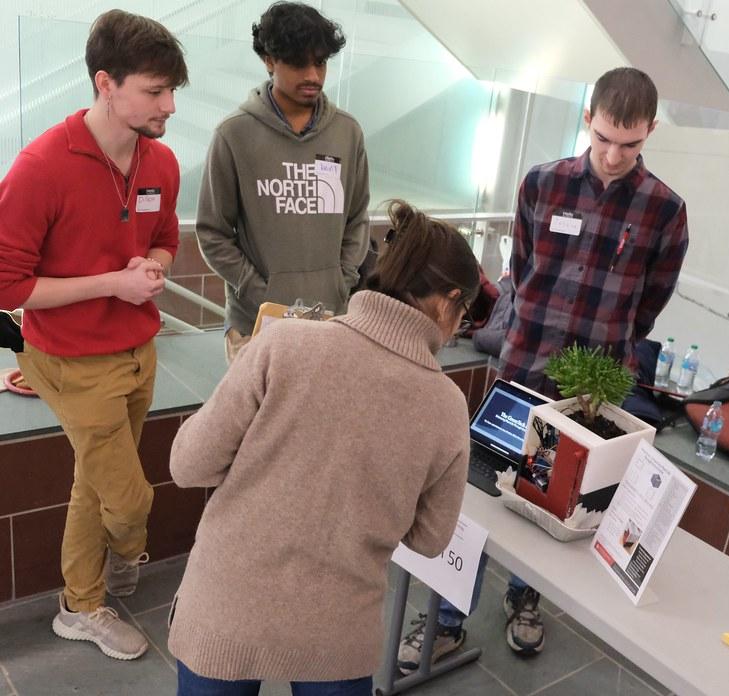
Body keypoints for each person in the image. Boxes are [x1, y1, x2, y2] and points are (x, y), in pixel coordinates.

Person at [399, 66, 689, 672]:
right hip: (524, 370)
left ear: (650, 133)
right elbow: (521, 272)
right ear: (589, 117)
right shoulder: (542, 184)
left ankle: (524, 602)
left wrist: (611, 353)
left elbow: (652, 300)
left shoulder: (665, 210)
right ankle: (448, 621)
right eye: (605, 136)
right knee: (477, 495)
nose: (613, 155)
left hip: (591, 396)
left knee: (558, 503)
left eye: (630, 144)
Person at [167, 200, 478, 696]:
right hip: (335, 635)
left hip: (224, 607)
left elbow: (187, 464)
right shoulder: (446, 405)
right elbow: (429, 539)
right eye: (465, 313)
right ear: (449, 301)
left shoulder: (284, 343)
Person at [0, 10, 187, 660]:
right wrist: (113, 283)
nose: (169, 105)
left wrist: (153, 268)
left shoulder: (160, 161)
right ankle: (123, 552)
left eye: (173, 91)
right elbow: (7, 288)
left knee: (94, 483)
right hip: (73, 358)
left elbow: (165, 237)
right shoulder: (40, 168)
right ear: (106, 83)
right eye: (155, 91)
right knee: (129, 499)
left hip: (139, 349)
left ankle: (80, 604)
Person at [196, 1, 370, 362]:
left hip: (329, 321)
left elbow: (357, 218)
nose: (313, 75)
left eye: (320, 62)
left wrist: (342, 280)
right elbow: (212, 233)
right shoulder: (234, 135)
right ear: (269, 60)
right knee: (258, 420)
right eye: (298, 62)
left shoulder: (347, 133)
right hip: (257, 326)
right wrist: (260, 290)